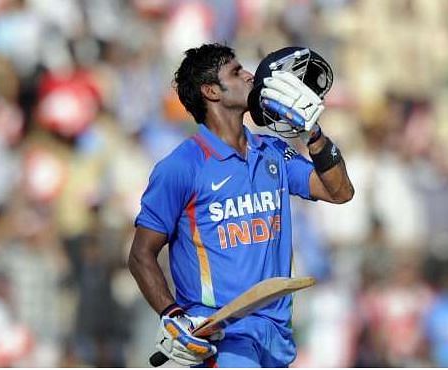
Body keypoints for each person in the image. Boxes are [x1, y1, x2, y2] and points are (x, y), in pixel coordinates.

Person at [128, 43, 354, 367]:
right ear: (211, 91)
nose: (250, 75)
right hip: (223, 338)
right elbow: (141, 254)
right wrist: (172, 315)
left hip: (277, 337)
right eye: (235, 72)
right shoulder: (182, 166)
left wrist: (314, 134)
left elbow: (340, 191)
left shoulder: (273, 152)